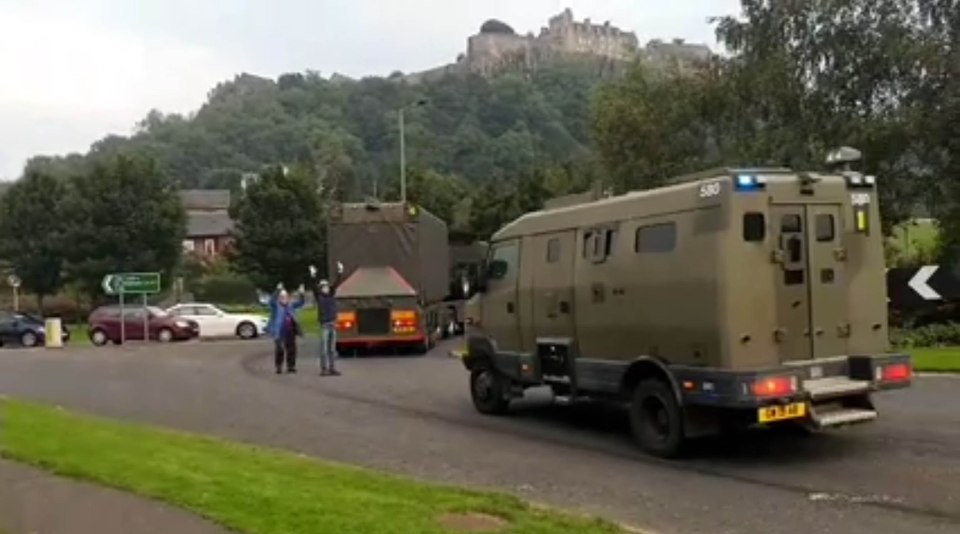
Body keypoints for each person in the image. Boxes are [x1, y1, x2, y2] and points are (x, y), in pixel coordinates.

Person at [310, 261, 344, 376]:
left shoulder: (331, 294)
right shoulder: (319, 296)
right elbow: (314, 286)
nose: (326, 288)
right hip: (324, 325)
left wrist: (340, 271)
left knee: (332, 349)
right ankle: (324, 369)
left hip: (332, 324)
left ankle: (332, 368)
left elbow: (336, 283)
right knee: (324, 349)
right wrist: (313, 275)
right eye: (324, 286)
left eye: (327, 286)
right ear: (321, 288)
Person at [265, 283, 306, 374]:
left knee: (291, 349)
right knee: (280, 349)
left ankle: (291, 366)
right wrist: (277, 290)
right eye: (282, 297)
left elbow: (301, 303)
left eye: (286, 297)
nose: (284, 299)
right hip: (279, 331)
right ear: (279, 298)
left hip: (290, 330)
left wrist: (301, 293)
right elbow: (271, 301)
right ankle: (279, 366)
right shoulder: (276, 306)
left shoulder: (291, 305)